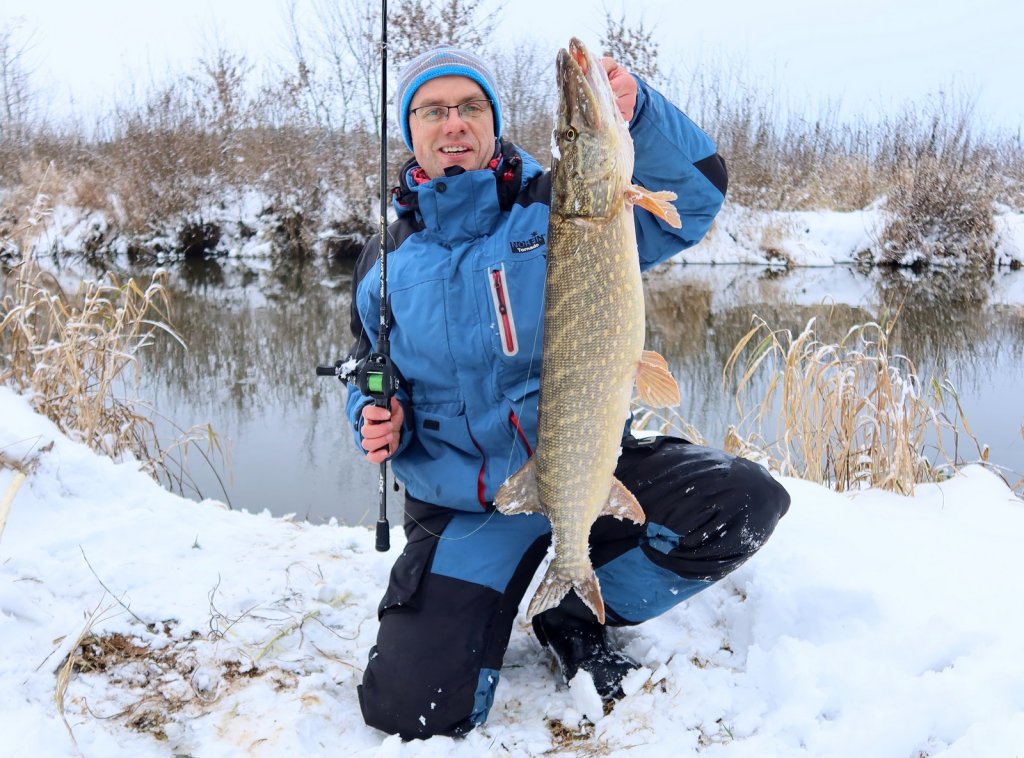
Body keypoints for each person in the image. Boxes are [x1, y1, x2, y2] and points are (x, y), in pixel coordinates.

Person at [345, 44, 790, 740]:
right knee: (410, 711)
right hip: (471, 506)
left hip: (588, 463)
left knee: (742, 502)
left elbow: (697, 194)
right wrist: (374, 413)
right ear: (413, 130)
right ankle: (512, 588)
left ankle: (576, 609)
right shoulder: (384, 256)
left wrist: (635, 112)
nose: (453, 122)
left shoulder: (563, 207)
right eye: (434, 110)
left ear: (493, 122)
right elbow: (366, 363)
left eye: (470, 107)